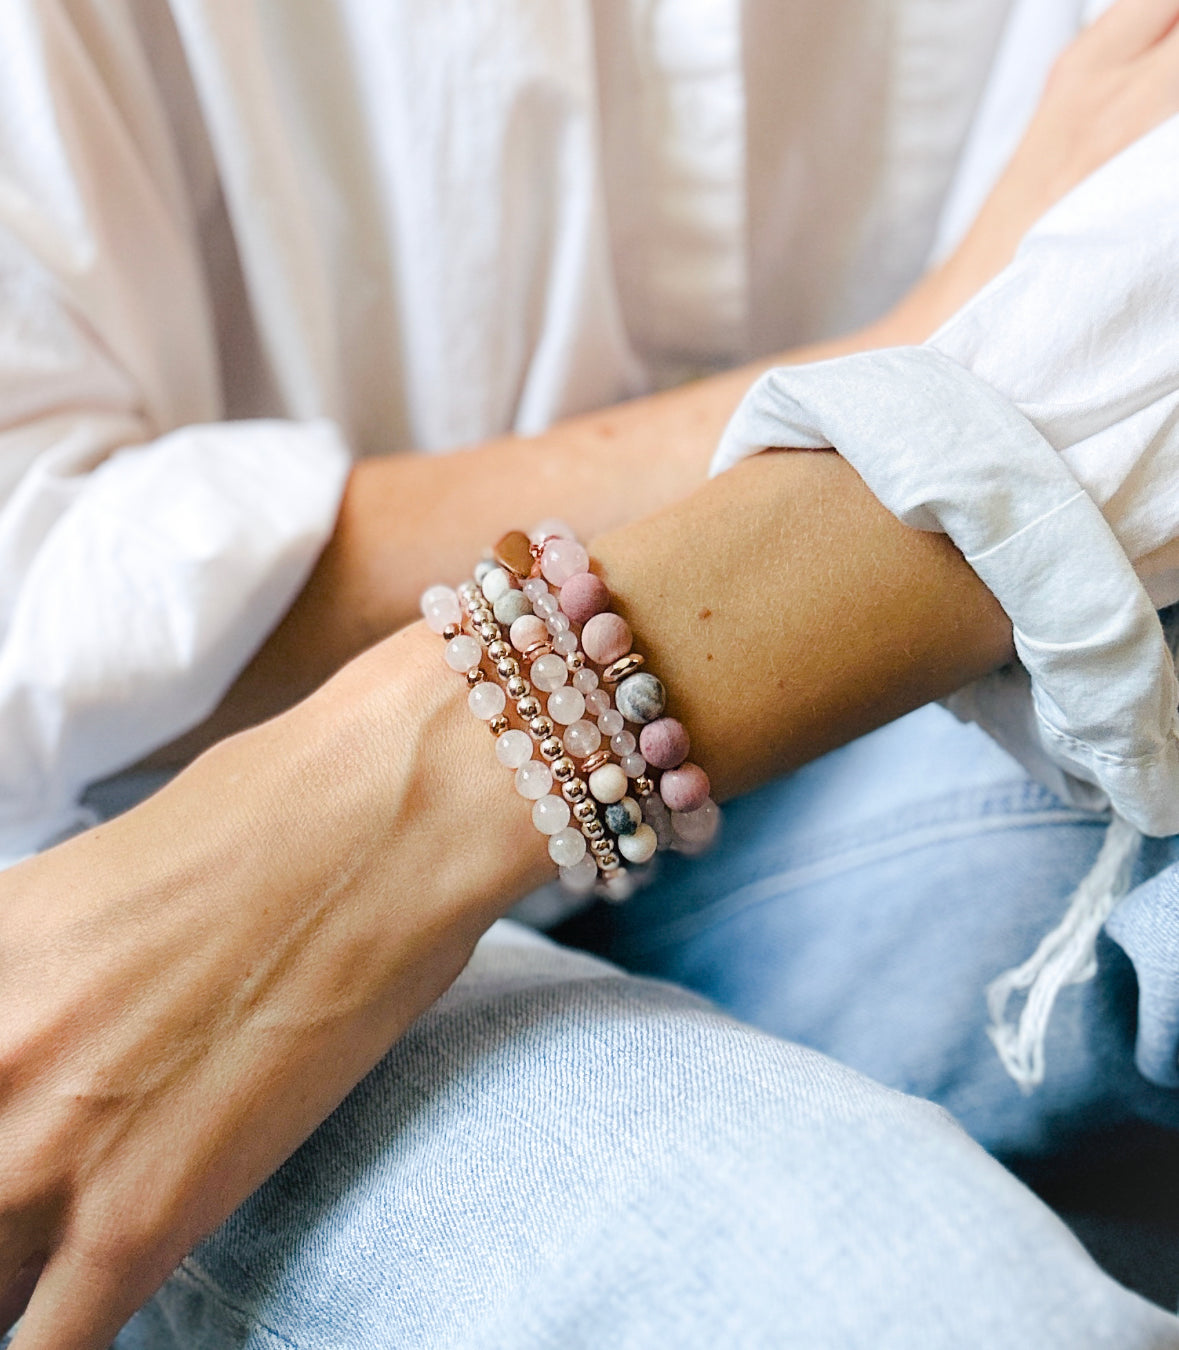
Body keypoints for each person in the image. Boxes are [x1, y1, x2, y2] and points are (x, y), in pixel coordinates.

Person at [3, 0, 1179, 1345]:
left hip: (850, 726)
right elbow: (30, 581)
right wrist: (927, 338)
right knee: (924, 1308)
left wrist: (437, 773)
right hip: (141, 874)